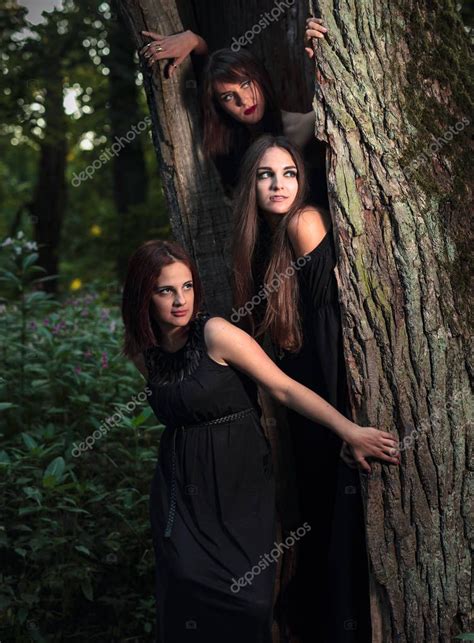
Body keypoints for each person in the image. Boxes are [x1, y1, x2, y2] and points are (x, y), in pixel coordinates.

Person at [121, 239, 400, 643]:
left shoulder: (216, 333)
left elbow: (283, 388)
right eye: (165, 290)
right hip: (181, 490)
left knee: (250, 603)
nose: (180, 300)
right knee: (185, 588)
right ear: (143, 294)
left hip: (240, 478)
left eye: (187, 286)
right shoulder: (143, 352)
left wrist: (349, 430)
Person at [230, 134, 378, 642]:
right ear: (251, 183)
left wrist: (344, 420)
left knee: (341, 520)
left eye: (289, 173)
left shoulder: (303, 222)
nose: (278, 184)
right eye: (267, 174)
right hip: (303, 402)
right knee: (317, 515)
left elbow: (328, 323)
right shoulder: (260, 244)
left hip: (327, 393)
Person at [139, 18, 329, 203]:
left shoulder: (301, 127)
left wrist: (322, 54)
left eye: (246, 84)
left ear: (260, 79)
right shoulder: (228, 147)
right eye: (228, 97)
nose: (243, 100)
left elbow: (337, 113)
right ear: (219, 106)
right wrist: (194, 41)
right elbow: (206, 73)